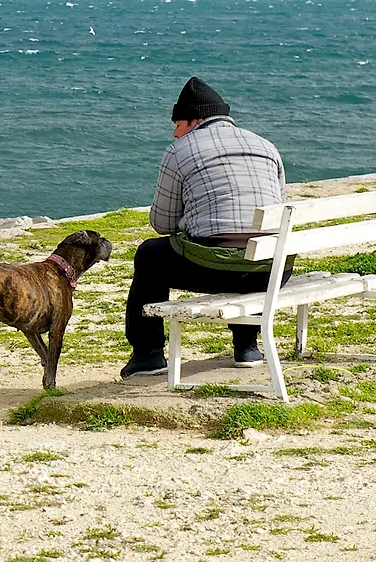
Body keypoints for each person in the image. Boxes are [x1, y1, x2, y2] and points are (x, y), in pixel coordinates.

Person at [121, 77, 287, 379]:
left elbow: (162, 224)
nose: (175, 132)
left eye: (179, 124)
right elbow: (276, 211)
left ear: (196, 120)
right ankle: (247, 346)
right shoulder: (266, 146)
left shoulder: (179, 151)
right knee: (245, 245)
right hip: (271, 267)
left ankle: (148, 355)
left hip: (215, 268)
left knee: (149, 255)